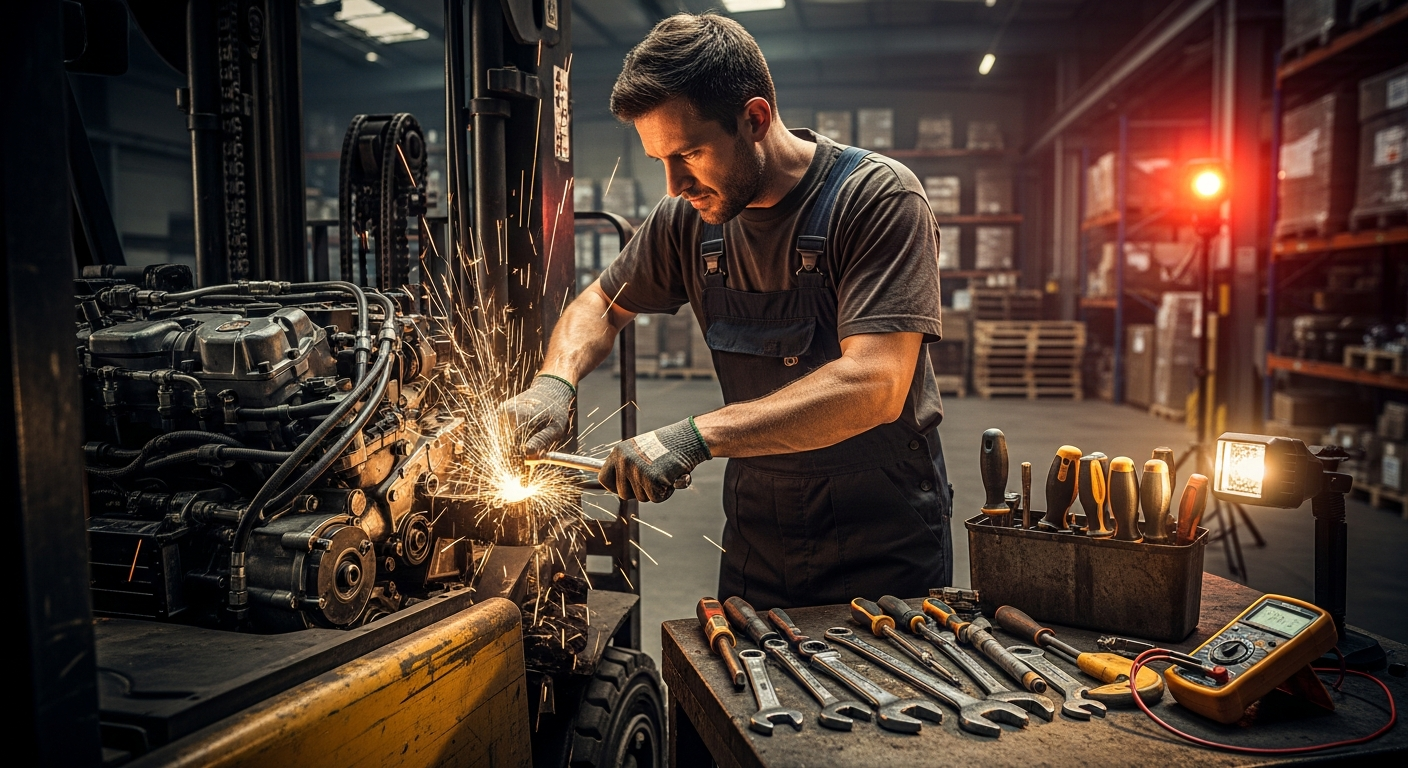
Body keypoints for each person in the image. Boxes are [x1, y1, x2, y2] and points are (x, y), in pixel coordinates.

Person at [501, 13, 951, 609]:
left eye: (688, 153)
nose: (672, 184)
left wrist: (694, 436)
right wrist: (553, 382)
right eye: (659, 158)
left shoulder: (876, 199)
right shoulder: (687, 220)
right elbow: (599, 305)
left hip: (883, 542)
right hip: (759, 536)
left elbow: (875, 382)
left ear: (756, 118)